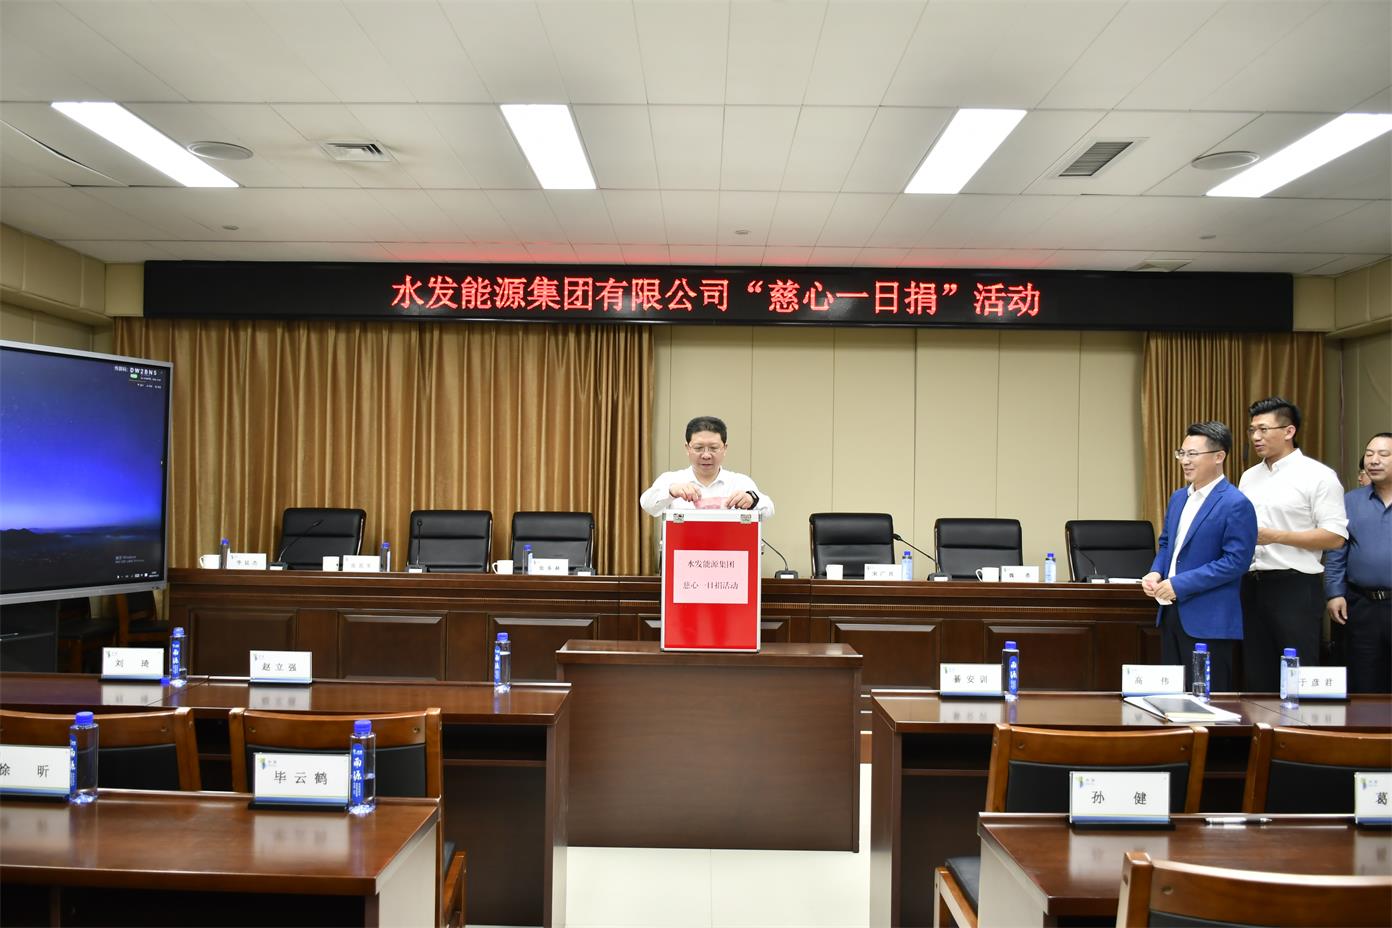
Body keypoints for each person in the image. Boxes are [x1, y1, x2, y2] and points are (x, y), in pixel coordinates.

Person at [1238, 396, 1347, 690]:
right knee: (1257, 675)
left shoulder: (1318, 476)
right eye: (1252, 430)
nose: (1256, 437)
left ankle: (1301, 722)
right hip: (1252, 584)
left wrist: (1275, 536)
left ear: (1289, 431)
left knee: (1298, 674)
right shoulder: (1249, 477)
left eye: (1264, 429)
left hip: (1295, 586)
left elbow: (1335, 537)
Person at [1142, 421, 1256, 692]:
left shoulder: (1235, 503)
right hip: (1172, 614)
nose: (1185, 461)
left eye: (1193, 454)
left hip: (1209, 620)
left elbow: (1236, 562)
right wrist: (1156, 571)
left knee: (1207, 699)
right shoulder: (1178, 498)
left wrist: (1179, 584)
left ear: (1219, 456)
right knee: (1172, 697)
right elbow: (1167, 543)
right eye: (1182, 453)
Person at [1325, 433, 1392, 693]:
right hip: (1362, 604)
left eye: (1383, 454)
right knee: (1364, 681)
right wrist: (1334, 593)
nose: (1373, 460)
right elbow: (1336, 550)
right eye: (1369, 454)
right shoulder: (1350, 501)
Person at [640, 415, 774, 518]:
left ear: (725, 448)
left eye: (713, 448)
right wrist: (671, 492)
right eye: (698, 448)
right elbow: (647, 504)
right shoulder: (672, 479)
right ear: (687, 448)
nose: (706, 455)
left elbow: (769, 509)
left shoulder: (739, 482)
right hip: (682, 546)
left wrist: (752, 499)